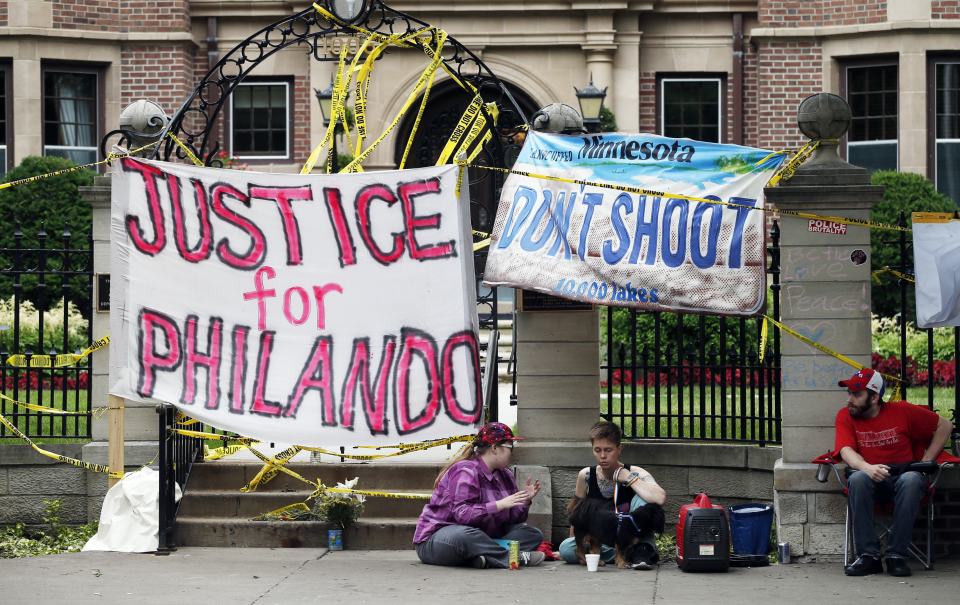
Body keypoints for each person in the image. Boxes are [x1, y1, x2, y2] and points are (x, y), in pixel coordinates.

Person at [834, 368, 953, 577]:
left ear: (874, 397)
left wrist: (926, 460)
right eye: (849, 393)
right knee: (858, 478)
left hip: (903, 476)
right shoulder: (846, 416)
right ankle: (868, 556)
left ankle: (896, 555)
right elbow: (846, 450)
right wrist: (868, 468)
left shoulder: (902, 411)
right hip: (870, 478)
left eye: (856, 394)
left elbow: (945, 425)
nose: (850, 399)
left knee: (913, 479)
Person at [413, 422, 545, 569]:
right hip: (440, 538)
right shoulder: (465, 470)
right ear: (494, 448)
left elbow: (514, 520)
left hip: (482, 537)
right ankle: (513, 557)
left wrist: (524, 501)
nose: (513, 452)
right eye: (510, 447)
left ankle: (483, 558)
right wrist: (499, 504)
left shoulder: (506, 474)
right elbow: (462, 515)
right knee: (465, 536)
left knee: (532, 534)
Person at [558, 420, 667, 568]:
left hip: (629, 536)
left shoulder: (635, 472)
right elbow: (578, 511)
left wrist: (628, 478)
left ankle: (640, 548)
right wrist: (576, 542)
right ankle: (628, 555)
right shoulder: (586, 475)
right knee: (565, 549)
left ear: (619, 448)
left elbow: (659, 498)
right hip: (600, 537)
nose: (602, 456)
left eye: (608, 450)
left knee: (644, 498)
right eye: (597, 450)